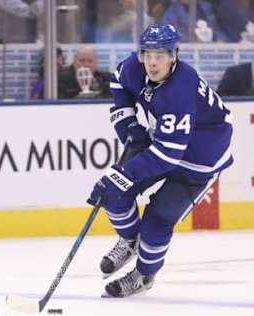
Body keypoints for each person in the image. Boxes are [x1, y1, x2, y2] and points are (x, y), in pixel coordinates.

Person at [87, 23, 234, 298]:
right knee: (115, 195)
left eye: (160, 55)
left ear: (174, 55)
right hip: (166, 143)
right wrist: (129, 126)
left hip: (201, 156)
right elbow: (118, 81)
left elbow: (168, 156)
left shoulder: (181, 89)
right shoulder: (135, 67)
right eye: (147, 54)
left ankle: (144, 275)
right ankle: (130, 241)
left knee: (157, 221)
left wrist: (120, 174)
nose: (152, 62)